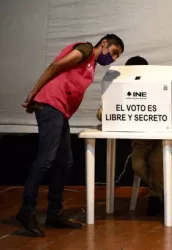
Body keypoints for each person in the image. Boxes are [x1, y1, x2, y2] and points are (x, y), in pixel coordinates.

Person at [18, 34, 124, 237]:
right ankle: (26, 210)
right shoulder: (84, 50)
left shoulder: (91, 65)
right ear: (104, 44)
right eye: (114, 53)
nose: (113, 59)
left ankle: (54, 213)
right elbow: (55, 66)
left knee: (65, 162)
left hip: (60, 110)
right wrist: (34, 93)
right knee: (46, 159)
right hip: (50, 104)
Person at [97, 56, 172, 216]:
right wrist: (107, 111)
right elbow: (102, 113)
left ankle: (156, 196)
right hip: (141, 140)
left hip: (163, 138)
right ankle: (162, 189)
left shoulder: (158, 85)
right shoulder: (118, 89)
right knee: (138, 165)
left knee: (157, 161)